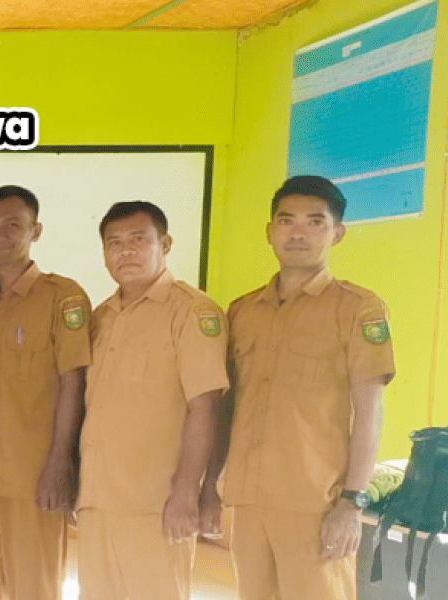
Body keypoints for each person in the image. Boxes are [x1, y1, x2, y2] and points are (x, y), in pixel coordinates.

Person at [209, 176, 394, 600]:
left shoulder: (357, 308)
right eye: (287, 220)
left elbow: (370, 412)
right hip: (249, 500)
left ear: (336, 234)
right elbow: (228, 407)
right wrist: (210, 487)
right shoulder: (242, 311)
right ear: (270, 231)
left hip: (317, 504)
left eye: (315, 222)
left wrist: (352, 502)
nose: (298, 232)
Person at [77, 201, 226, 600]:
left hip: (156, 504)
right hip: (97, 499)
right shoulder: (102, 317)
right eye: (114, 242)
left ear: (166, 244)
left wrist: (187, 491)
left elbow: (205, 407)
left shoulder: (192, 312)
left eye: (138, 239)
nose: (125, 251)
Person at [0, 185, 91, 600]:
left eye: (13, 225)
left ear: (36, 231)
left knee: (34, 586)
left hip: (34, 475)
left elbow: (73, 382)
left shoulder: (62, 298)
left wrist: (60, 463)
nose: (0, 236)